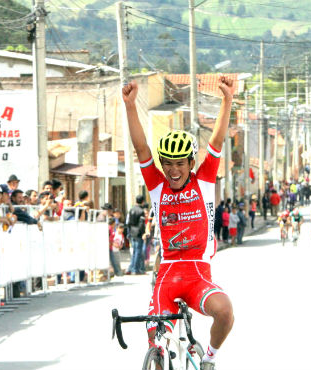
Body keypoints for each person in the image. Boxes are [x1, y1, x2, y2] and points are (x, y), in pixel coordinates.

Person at [122, 75, 234, 369]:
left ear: (190, 164)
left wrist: (227, 100)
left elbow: (218, 140)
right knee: (157, 344)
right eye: (167, 163)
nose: (173, 170)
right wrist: (131, 106)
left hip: (199, 274)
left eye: (179, 163)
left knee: (225, 311)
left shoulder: (205, 181)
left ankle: (208, 359)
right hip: (167, 277)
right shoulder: (157, 186)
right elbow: (141, 149)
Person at [125, 194, 146, 275]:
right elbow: (141, 224)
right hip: (138, 233)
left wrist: (129, 232)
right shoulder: (141, 211)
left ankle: (131, 268)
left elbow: (129, 222)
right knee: (138, 251)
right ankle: (135, 269)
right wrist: (143, 233)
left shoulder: (131, 209)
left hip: (132, 232)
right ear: (143, 202)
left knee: (134, 252)